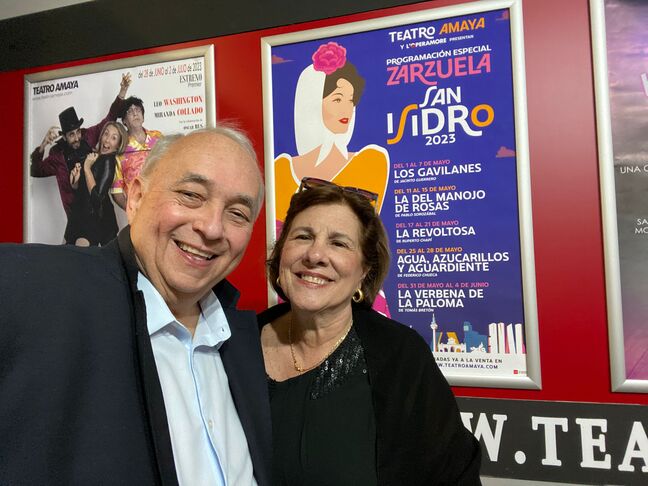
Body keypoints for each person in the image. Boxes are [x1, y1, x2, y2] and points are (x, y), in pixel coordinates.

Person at [0, 127, 271, 485]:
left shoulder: (246, 339)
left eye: (238, 213)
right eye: (191, 195)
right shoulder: (31, 287)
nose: (211, 227)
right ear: (137, 197)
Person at [259, 178, 482, 485]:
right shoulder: (235, 343)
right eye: (302, 236)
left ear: (364, 270)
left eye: (338, 243)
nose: (315, 255)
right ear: (282, 252)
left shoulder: (400, 356)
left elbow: (454, 476)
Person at [273, 41, 389, 224]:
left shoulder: (371, 161)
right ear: (312, 104)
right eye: (337, 99)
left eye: (350, 101)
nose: (347, 109)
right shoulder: (280, 168)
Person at [30, 73, 130, 239]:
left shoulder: (89, 136)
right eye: (71, 135)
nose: (77, 137)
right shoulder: (57, 158)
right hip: (78, 220)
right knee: (75, 258)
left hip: (101, 214)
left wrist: (122, 92)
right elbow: (35, 170)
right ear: (64, 136)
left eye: (77, 132)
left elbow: (109, 120)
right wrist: (43, 145)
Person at [67, 121, 127, 246]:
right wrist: (75, 181)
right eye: (106, 134)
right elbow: (82, 191)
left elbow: (96, 199)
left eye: (114, 138)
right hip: (79, 217)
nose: (107, 140)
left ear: (118, 145)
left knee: (78, 260)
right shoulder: (94, 156)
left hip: (92, 222)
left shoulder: (108, 162)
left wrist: (87, 168)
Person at [110, 95, 164, 210]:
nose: (135, 113)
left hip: (163, 206)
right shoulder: (120, 148)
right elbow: (116, 192)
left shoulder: (158, 137)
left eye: (138, 110)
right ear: (124, 121)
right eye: (130, 111)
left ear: (143, 116)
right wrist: (132, 213)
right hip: (138, 211)